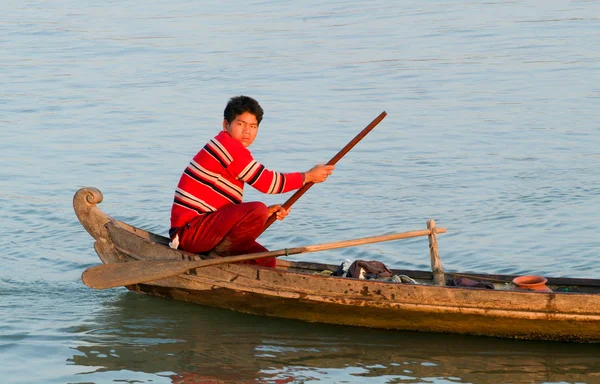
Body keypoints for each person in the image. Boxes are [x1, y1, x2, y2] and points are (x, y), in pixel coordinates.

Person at [169, 95, 334, 268]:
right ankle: (218, 256)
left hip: (206, 230)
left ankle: (221, 258)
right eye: (241, 124)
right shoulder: (227, 146)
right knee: (257, 209)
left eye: (253, 126)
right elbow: (267, 182)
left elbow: (223, 210)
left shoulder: (230, 148)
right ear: (226, 125)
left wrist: (264, 215)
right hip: (189, 233)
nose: (247, 131)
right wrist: (307, 177)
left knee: (266, 261)